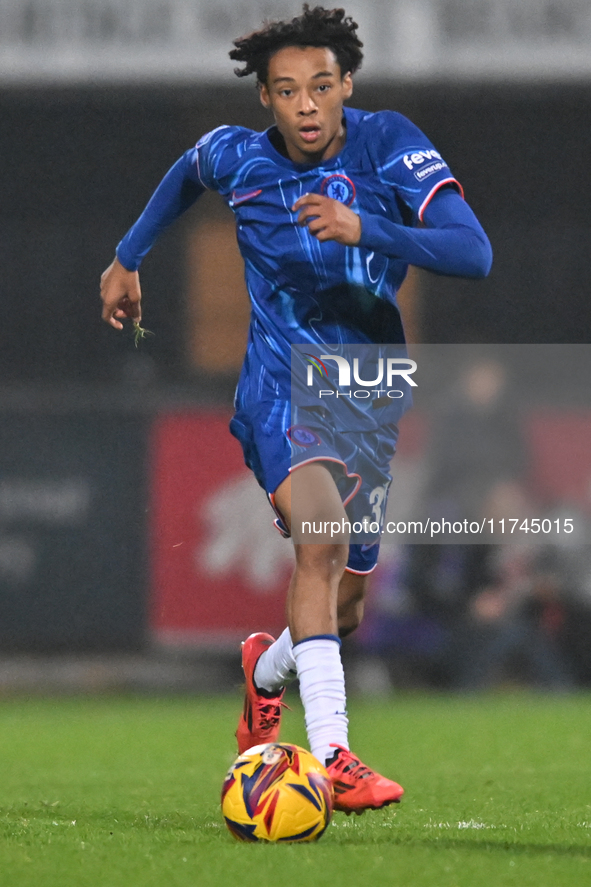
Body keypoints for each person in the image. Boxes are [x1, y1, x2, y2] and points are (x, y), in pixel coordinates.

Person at [100, 5, 492, 814]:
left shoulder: (388, 144)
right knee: (320, 539)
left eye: (321, 86)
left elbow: (472, 251)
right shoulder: (240, 158)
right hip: (279, 385)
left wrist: (368, 227)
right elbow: (186, 172)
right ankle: (336, 757)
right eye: (287, 91)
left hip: (367, 393)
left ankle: (264, 668)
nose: (307, 104)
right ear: (266, 102)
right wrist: (126, 258)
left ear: (346, 84)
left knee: (345, 601)